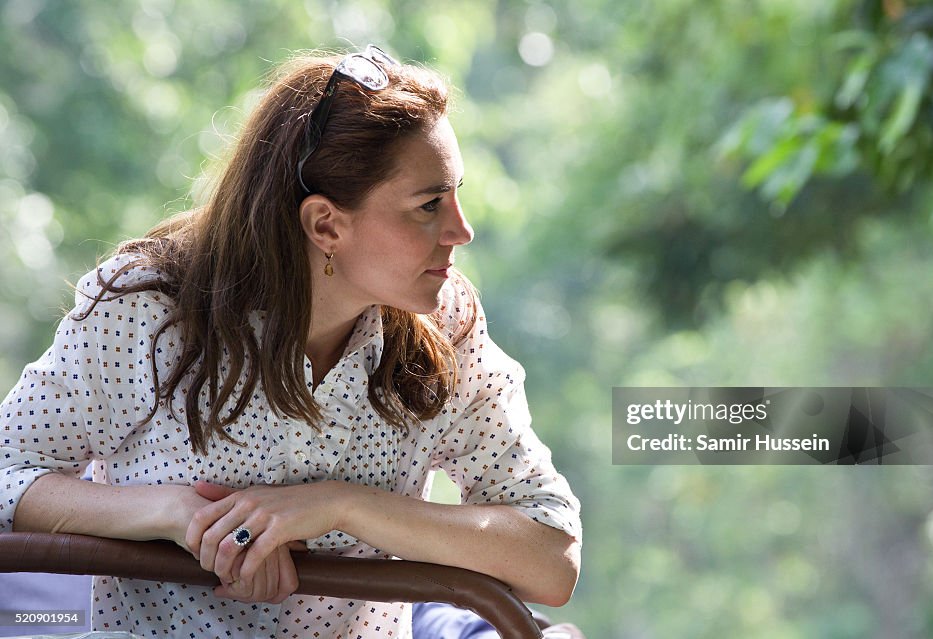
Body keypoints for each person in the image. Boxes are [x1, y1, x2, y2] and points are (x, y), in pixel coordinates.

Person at [0, 45, 582, 638]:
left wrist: (344, 504)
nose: (462, 230)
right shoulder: (147, 309)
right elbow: (8, 472)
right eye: (429, 205)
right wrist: (179, 516)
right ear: (326, 224)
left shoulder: (447, 325)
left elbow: (552, 560)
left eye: (455, 194)